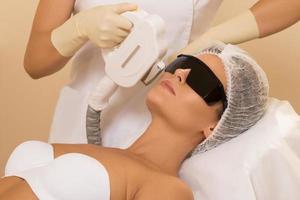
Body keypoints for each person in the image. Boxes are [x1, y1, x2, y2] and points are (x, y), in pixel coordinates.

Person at [0, 43, 269, 199]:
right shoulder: (103, 151)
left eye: (200, 79)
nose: (181, 74)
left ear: (215, 127)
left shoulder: (169, 190)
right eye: (181, 63)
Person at [23, 0, 299, 146]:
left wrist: (216, 35)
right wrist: (78, 29)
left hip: (164, 131)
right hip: (79, 122)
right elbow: (35, 62)